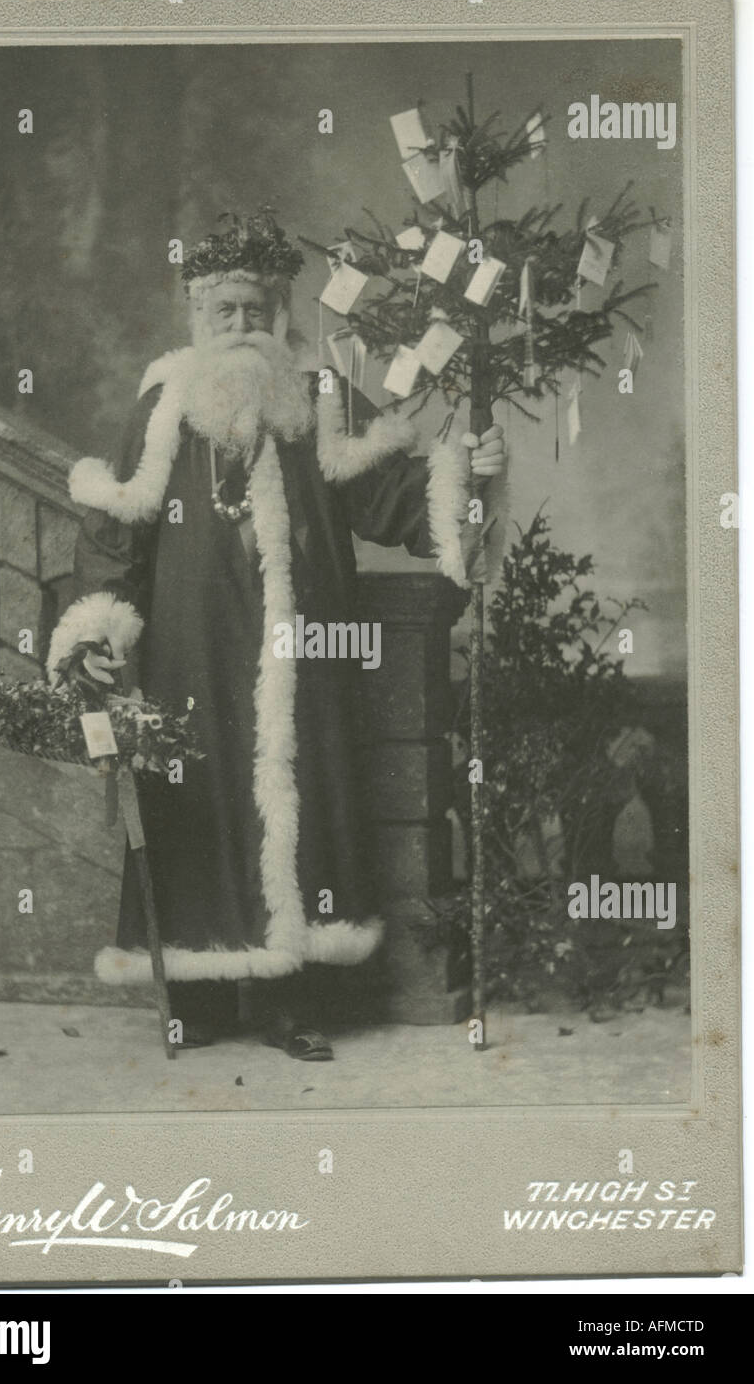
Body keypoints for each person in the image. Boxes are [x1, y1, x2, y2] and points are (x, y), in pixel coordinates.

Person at [47, 211, 509, 1060]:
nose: (241, 327)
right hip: (187, 650)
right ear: (197, 316)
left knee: (295, 811)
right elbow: (115, 528)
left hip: (302, 657)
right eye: (224, 311)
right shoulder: (163, 404)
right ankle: (196, 995)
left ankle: (286, 1003)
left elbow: (395, 497)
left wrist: (465, 478)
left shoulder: (320, 396)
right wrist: (100, 624)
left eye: (256, 310)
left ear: (280, 311)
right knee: (194, 809)